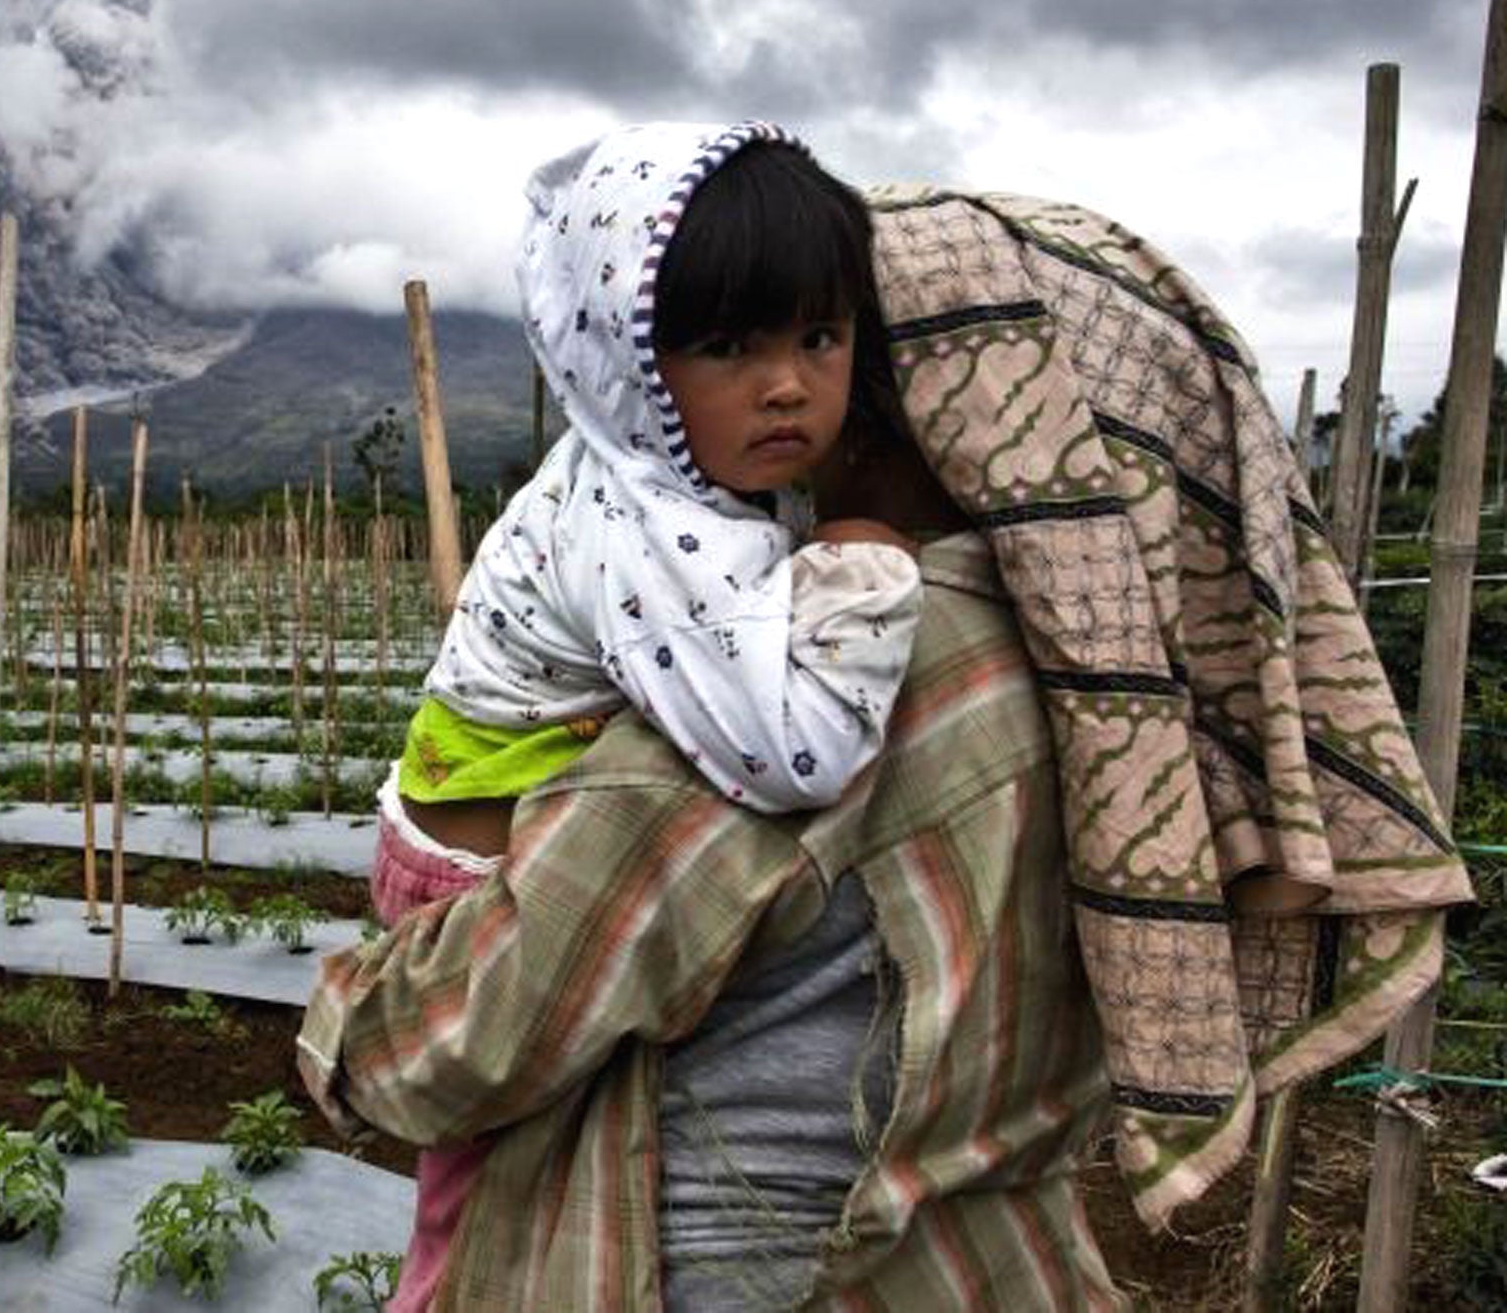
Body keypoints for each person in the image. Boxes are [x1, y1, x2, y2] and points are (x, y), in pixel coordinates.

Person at [302, 180, 1471, 1309]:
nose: (800, 395)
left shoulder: (814, 674)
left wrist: (339, 1040)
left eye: (831, 343)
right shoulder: (1129, 694)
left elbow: (458, 1040)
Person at [371, 122, 924, 1312]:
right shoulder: (655, 524)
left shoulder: (681, 474)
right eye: (727, 346)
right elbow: (793, 752)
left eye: (819, 337)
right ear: (624, 356)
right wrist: (864, 562)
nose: (786, 384)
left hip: (495, 820)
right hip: (472, 883)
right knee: (492, 1183)